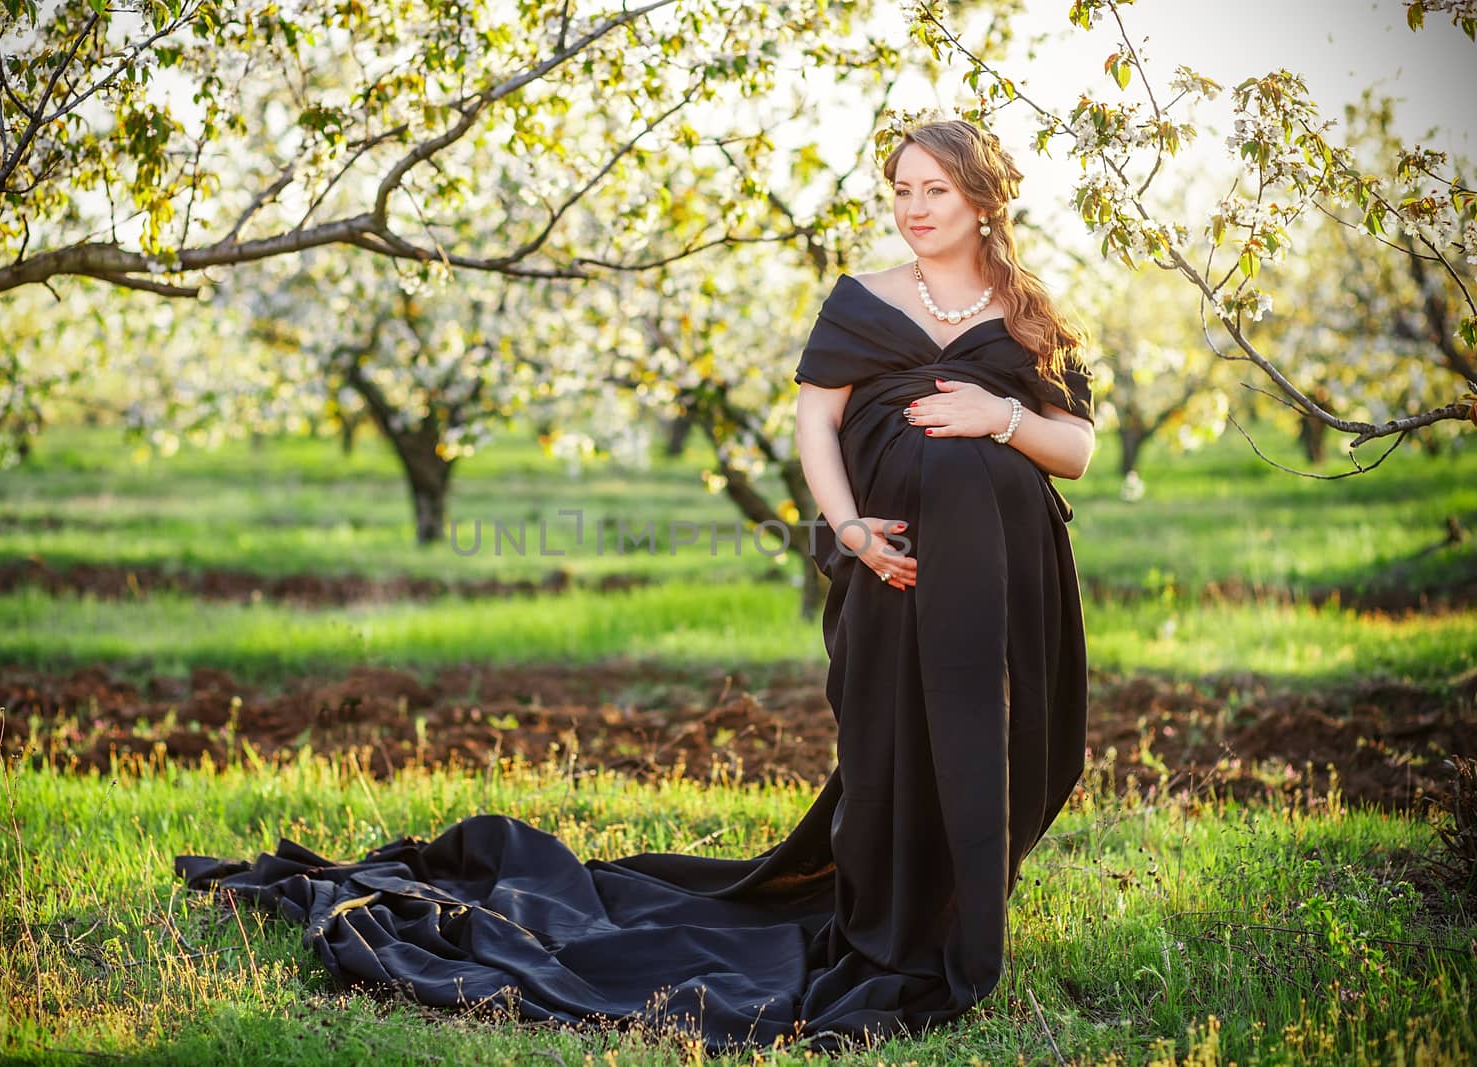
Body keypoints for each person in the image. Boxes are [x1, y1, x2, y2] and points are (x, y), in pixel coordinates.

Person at [176, 119, 1097, 1053]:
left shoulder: (1026, 316)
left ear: (982, 199)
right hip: (891, 577)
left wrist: (1003, 414)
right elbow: (815, 425)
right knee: (893, 749)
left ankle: (966, 918)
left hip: (1001, 591)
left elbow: (1078, 451)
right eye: (900, 190)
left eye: (933, 191)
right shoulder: (862, 299)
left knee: (997, 744)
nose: (912, 209)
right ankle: (893, 927)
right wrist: (849, 530)